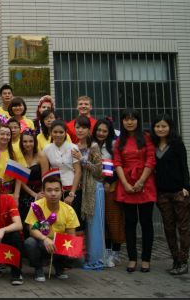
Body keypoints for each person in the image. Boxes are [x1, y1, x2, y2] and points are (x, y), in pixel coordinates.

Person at [113, 108, 156, 273]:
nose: (129, 122)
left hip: (145, 184)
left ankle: (146, 259)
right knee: (130, 224)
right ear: (122, 121)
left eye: (133, 119)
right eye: (126, 119)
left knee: (146, 223)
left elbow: (151, 160)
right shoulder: (119, 141)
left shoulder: (146, 138)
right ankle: (132, 258)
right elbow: (117, 163)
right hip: (126, 185)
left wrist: (141, 181)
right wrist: (125, 183)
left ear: (138, 121)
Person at [150, 114, 190, 276]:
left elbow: (184, 166)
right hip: (162, 194)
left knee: (183, 228)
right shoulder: (152, 145)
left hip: (179, 192)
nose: (160, 129)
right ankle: (175, 260)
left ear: (170, 127)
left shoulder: (177, 144)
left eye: (164, 126)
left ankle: (184, 261)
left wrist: (186, 187)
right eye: (157, 126)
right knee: (168, 228)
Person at [24, 173, 80, 282]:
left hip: (59, 242)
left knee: (78, 256)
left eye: (56, 190)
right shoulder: (37, 206)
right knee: (29, 243)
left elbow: (71, 236)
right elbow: (32, 229)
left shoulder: (68, 210)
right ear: (43, 192)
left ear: (62, 191)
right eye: (49, 190)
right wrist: (45, 239)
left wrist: (67, 248)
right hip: (41, 241)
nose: (53, 193)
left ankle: (59, 265)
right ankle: (38, 268)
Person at [93, 118, 125, 268]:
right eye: (99, 130)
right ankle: (105, 252)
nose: (101, 133)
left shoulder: (114, 145)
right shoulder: (92, 145)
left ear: (110, 132)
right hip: (96, 188)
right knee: (102, 221)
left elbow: (119, 166)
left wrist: (109, 181)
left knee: (114, 220)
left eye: (104, 131)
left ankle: (115, 253)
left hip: (112, 188)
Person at [74, 116, 104, 270]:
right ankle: (84, 257)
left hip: (94, 189)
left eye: (83, 127)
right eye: (78, 127)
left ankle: (95, 260)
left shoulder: (93, 146)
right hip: (81, 190)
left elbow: (99, 170)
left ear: (89, 129)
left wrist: (82, 160)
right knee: (84, 224)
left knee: (94, 225)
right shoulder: (74, 146)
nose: (80, 130)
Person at [39, 120, 82, 223]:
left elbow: (78, 171)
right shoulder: (47, 149)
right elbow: (45, 172)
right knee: (57, 221)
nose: (58, 135)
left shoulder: (73, 147)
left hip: (72, 189)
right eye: (55, 132)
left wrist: (72, 194)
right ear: (51, 132)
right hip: (55, 191)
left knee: (74, 222)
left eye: (61, 132)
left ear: (66, 133)